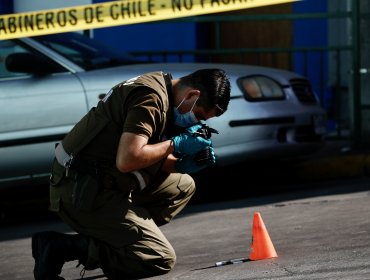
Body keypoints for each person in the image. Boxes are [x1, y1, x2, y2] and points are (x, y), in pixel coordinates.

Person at [31, 68, 231, 280]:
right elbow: (128, 159)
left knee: (183, 185)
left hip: (103, 181)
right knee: (158, 257)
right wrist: (175, 144)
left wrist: (181, 164)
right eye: (198, 115)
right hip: (79, 190)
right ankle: (64, 247)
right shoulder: (151, 97)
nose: (195, 122)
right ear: (192, 95)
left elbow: (147, 157)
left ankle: (124, 237)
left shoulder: (164, 89)